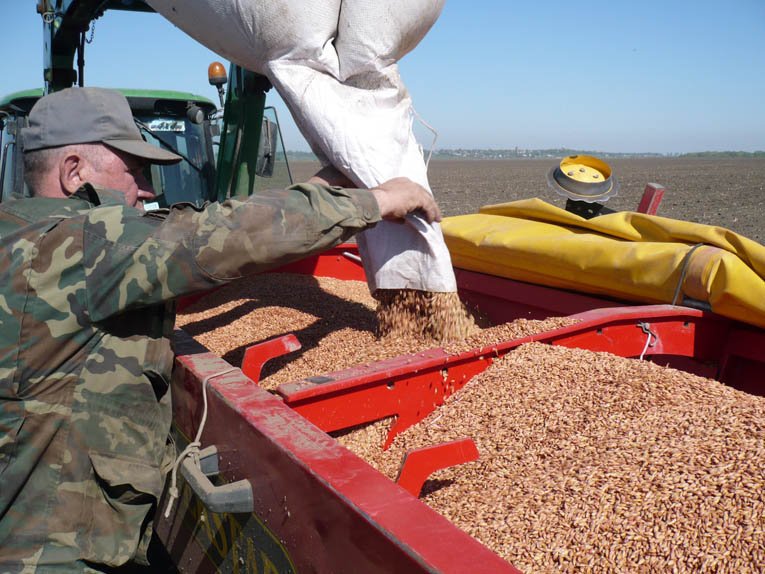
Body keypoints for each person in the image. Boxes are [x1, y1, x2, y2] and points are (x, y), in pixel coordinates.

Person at [0, 87, 441, 571]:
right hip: (50, 555)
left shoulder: (19, 237)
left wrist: (321, 190)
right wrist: (376, 200)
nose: (146, 190)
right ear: (74, 172)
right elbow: (220, 234)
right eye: (135, 171)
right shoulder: (77, 248)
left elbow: (215, 225)